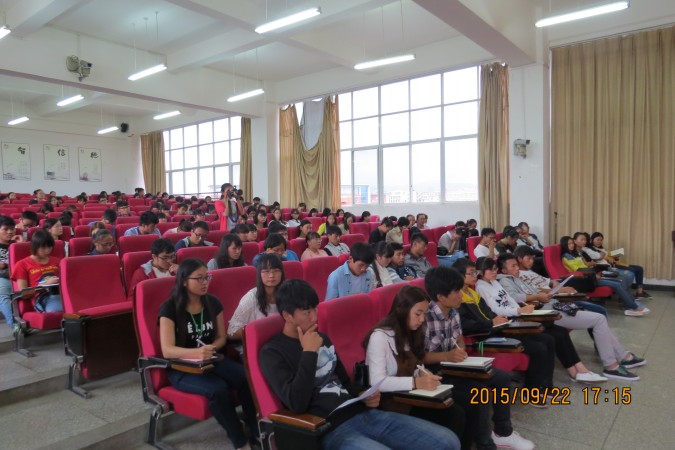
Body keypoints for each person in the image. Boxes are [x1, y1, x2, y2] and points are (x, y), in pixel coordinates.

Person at [260, 279, 460, 450]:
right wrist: (309, 353)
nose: (314, 316)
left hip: (362, 412)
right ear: (287, 316)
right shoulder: (272, 352)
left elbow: (345, 383)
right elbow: (296, 403)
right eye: (306, 312)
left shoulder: (322, 338)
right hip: (329, 428)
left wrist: (363, 394)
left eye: (315, 308)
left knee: (448, 441)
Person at [423, 266, 535, 450]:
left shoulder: (453, 312)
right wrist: (447, 355)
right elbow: (418, 358)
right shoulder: (425, 318)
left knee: (501, 378)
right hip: (436, 373)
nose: (461, 295)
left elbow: (459, 337)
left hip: (455, 366)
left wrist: (460, 350)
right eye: (456, 292)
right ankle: (485, 444)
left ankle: (503, 433)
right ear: (441, 297)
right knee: (479, 393)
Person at [158, 258, 258, 450]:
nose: (205, 282)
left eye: (207, 277)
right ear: (184, 281)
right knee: (217, 389)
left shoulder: (213, 302)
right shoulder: (170, 308)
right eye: (199, 278)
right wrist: (196, 352)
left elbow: (221, 337)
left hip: (212, 358)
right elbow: (167, 350)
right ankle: (239, 440)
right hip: (182, 366)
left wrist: (211, 348)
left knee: (245, 377)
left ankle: (256, 430)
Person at [505, 251, 646, 381]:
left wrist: (557, 289)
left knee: (599, 317)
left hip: (556, 303)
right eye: (514, 266)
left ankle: (622, 356)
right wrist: (551, 293)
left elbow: (544, 287)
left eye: (517, 265)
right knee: (599, 319)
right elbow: (523, 297)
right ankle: (611, 365)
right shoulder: (508, 281)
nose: (518, 268)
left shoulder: (522, 277)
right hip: (549, 312)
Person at [476, 256, 608, 383]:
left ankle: (577, 371)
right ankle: (562, 377)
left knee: (560, 331)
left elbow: (510, 300)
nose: (494, 272)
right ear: (481, 272)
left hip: (520, 315)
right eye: (490, 270)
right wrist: (518, 311)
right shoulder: (482, 287)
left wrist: (523, 309)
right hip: (510, 321)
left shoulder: (494, 282)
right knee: (549, 338)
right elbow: (495, 309)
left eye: (495, 269)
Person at [363, 285, 465, 440]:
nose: (422, 319)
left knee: (461, 407)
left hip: (412, 397)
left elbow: (416, 364)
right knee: (454, 415)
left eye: (424, 314)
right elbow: (377, 382)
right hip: (392, 404)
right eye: (418, 313)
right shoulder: (380, 337)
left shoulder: (410, 332)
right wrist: (416, 382)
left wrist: (423, 373)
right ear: (402, 310)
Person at [453, 258, 556, 396]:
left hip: (497, 329)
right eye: (471, 273)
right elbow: (466, 325)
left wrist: (498, 319)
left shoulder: (472, 293)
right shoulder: (458, 297)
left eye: (475, 272)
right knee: (538, 348)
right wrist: (492, 322)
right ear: (459, 275)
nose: (474, 275)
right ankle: (532, 392)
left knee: (548, 339)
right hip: (484, 337)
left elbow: (489, 312)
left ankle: (546, 387)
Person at [560, 235, 649, 316]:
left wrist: (596, 272)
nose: (572, 245)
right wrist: (594, 274)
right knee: (617, 284)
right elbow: (578, 270)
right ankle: (634, 307)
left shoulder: (575, 254)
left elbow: (585, 265)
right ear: (564, 245)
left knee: (620, 282)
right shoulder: (566, 256)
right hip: (584, 279)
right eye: (569, 244)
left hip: (590, 276)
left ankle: (629, 306)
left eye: (572, 243)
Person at [228, 254, 285, 342]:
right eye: (266, 271)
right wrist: (257, 333)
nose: (271, 275)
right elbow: (232, 331)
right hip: (257, 343)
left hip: (281, 341)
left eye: (276, 271)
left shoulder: (287, 294)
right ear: (259, 274)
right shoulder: (251, 298)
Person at [11, 230, 64, 315]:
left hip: (62, 293)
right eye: (43, 248)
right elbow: (24, 294)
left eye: (49, 247)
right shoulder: (22, 264)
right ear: (35, 247)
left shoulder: (58, 261)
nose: (47, 251)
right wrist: (45, 285)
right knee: (61, 308)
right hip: (42, 297)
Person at [589, 231, 650, 298]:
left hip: (615, 264)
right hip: (609, 267)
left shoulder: (602, 249)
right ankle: (625, 294)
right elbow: (600, 259)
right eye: (597, 240)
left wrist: (615, 257)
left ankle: (640, 291)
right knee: (632, 272)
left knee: (639, 268)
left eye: (601, 240)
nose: (599, 242)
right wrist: (608, 259)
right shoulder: (591, 250)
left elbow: (609, 257)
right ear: (592, 240)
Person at [0, 216, 22, 331]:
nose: (10, 232)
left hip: (19, 277)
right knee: (3, 295)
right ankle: (16, 326)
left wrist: (21, 245)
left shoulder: (16, 245)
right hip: (2, 277)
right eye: (6, 229)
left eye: (12, 229)